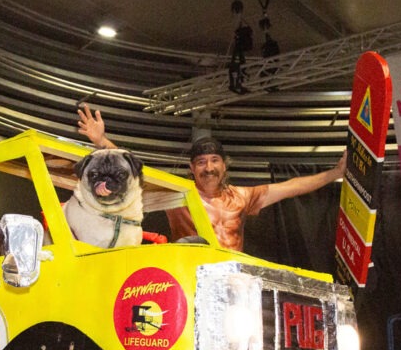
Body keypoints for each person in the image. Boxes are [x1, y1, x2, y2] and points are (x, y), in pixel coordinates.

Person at [77, 104, 346, 251]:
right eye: (202, 163)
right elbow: (133, 174)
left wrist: (335, 173)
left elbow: (290, 187)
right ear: (192, 168)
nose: (208, 168)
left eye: (214, 161)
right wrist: (101, 141)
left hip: (232, 277)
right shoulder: (179, 193)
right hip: (191, 275)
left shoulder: (241, 197)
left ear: (224, 166)